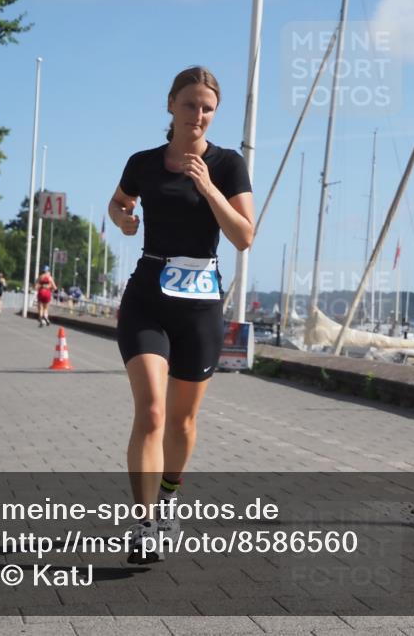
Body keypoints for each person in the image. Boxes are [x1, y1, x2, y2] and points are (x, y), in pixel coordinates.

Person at [109, 66, 253, 564]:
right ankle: (145, 523)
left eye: (207, 107)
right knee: (151, 411)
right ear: (170, 105)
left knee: (183, 420)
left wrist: (208, 186)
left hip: (200, 303)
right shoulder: (144, 162)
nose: (198, 114)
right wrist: (124, 219)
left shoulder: (228, 165)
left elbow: (244, 236)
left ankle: (168, 497)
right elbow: (119, 202)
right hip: (148, 294)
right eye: (190, 104)